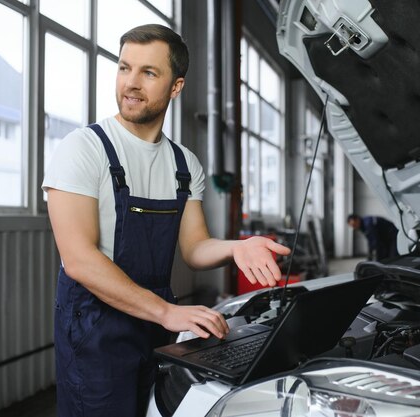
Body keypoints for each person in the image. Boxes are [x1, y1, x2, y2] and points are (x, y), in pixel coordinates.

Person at [42, 24, 290, 417]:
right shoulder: (83, 149)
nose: (131, 83)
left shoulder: (183, 164)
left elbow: (194, 248)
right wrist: (168, 312)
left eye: (149, 73)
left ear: (176, 87)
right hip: (96, 326)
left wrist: (237, 246)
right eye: (124, 68)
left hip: (156, 325)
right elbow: (79, 260)